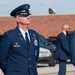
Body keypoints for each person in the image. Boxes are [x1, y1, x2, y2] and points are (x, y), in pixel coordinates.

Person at [0, 4, 39, 75]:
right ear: (17, 19)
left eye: (28, 15)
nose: (28, 17)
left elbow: (35, 57)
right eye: (24, 16)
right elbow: (2, 58)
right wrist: (9, 72)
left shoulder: (34, 35)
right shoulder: (10, 35)